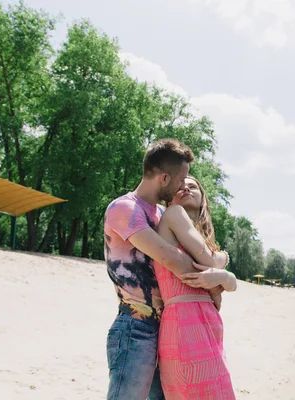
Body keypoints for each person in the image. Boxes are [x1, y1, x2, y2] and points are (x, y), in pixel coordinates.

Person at [104, 139, 226, 400]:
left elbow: (195, 251)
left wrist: (221, 269)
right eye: (181, 179)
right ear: (164, 178)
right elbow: (172, 260)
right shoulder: (125, 208)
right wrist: (216, 279)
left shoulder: (161, 213)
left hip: (167, 328)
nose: (184, 185)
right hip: (135, 327)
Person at [156, 176, 237, 399]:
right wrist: (223, 260)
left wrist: (223, 276)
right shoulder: (172, 214)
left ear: (203, 199)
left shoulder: (202, 237)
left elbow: (230, 284)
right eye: (179, 186)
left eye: (192, 186)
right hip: (184, 322)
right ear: (170, 197)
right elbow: (209, 261)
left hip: (208, 321)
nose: (185, 188)